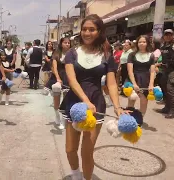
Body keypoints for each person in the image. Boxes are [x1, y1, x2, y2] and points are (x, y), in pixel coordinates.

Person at [59, 14, 123, 180]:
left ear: (99, 31)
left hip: (97, 104)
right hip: (74, 103)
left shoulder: (107, 55)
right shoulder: (72, 53)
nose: (87, 33)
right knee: (70, 149)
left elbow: (112, 84)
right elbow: (72, 80)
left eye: (91, 29)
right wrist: (85, 101)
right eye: (84, 29)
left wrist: (117, 107)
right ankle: (75, 176)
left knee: (86, 152)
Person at [44, 37, 70, 129]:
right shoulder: (56, 53)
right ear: (61, 43)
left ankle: (63, 120)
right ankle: (57, 116)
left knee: (66, 100)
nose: (67, 44)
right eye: (65, 42)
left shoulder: (72, 53)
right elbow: (54, 68)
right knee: (56, 100)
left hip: (68, 78)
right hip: (57, 77)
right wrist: (58, 78)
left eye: (68, 43)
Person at [127, 35, 155, 117]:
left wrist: (151, 84)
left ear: (147, 43)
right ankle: (128, 118)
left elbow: (152, 72)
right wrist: (134, 84)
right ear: (137, 43)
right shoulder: (132, 54)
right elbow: (130, 71)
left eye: (144, 42)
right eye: (140, 42)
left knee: (144, 100)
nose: (142, 44)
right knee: (132, 98)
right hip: (133, 78)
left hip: (145, 79)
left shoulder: (151, 55)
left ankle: (140, 119)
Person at [156, 29, 174, 118]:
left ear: (173, 35)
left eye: (170, 34)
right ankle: (167, 107)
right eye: (166, 34)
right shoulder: (164, 46)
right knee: (163, 87)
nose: (168, 36)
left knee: (170, 88)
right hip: (165, 70)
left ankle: (173, 110)